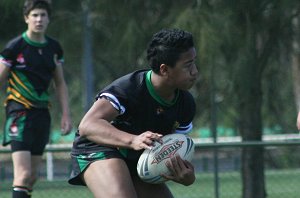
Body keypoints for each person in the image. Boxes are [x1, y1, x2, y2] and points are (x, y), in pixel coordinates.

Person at [68, 28, 198, 198]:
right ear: (165, 69)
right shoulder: (128, 89)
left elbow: (171, 147)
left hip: (136, 156)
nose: (195, 71)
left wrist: (186, 177)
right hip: (99, 147)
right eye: (187, 65)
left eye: (194, 62)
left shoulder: (186, 104)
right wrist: (133, 140)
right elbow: (87, 125)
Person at [0, 0, 72, 197]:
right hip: (19, 113)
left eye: (43, 15)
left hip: (42, 114)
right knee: (22, 175)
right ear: (26, 18)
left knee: (32, 177)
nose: (39, 19)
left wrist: (66, 114)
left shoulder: (54, 48)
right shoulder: (15, 47)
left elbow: (60, 83)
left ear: (48, 19)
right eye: (34, 15)